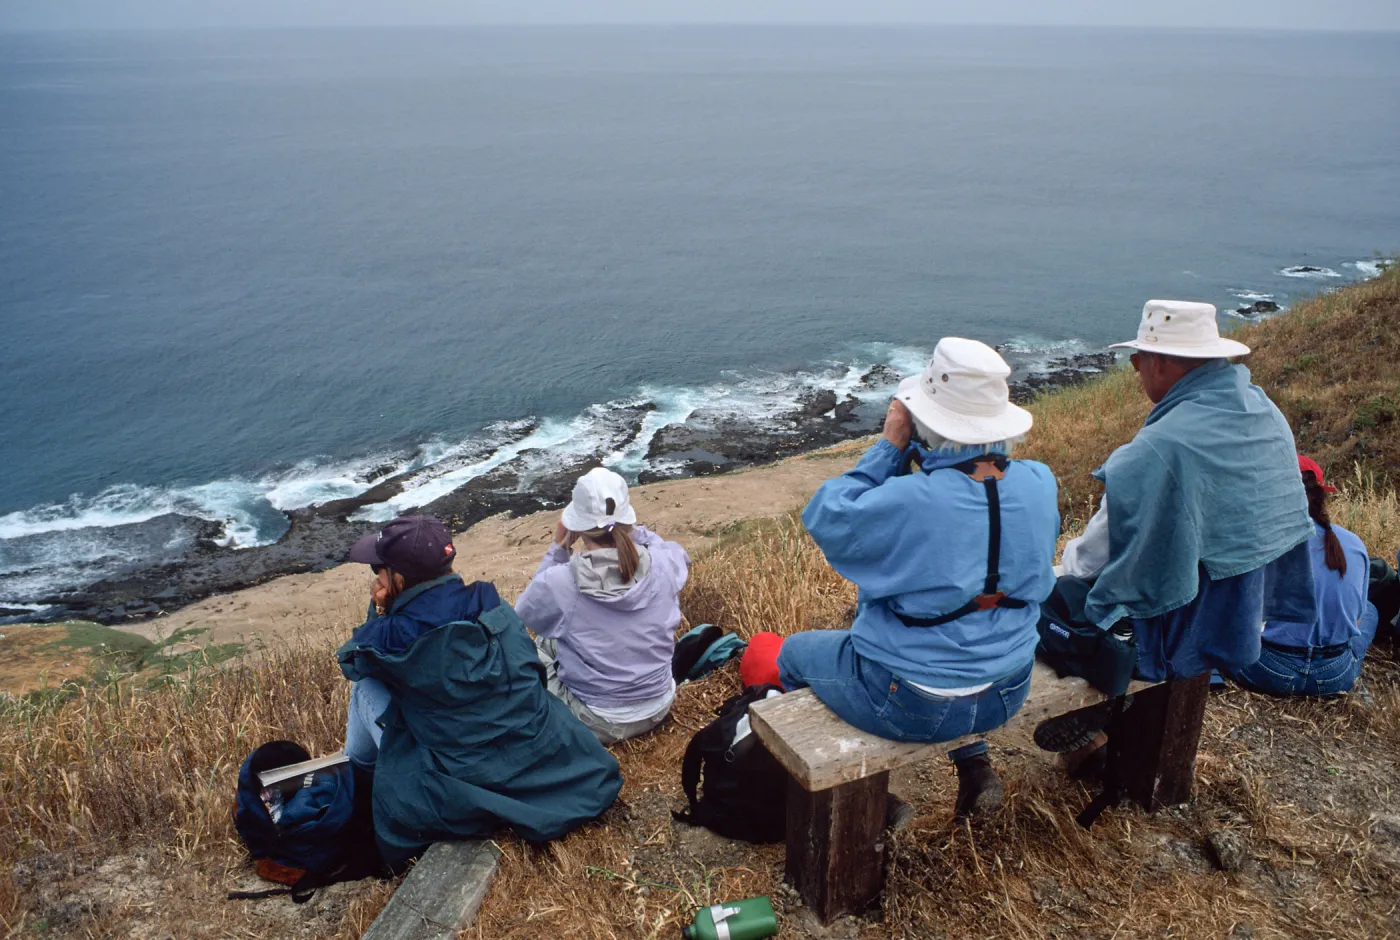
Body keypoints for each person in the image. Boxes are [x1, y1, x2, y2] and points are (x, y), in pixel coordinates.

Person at [778, 337, 1061, 818]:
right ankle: (974, 767)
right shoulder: (1039, 480)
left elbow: (827, 513)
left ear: (923, 420)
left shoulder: (914, 498)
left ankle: (869, 804)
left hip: (911, 703)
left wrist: (891, 448)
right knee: (955, 623)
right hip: (1008, 688)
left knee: (792, 655)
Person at [1046, 300, 1318, 756]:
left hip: (1181, 622)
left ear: (1163, 363)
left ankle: (1093, 720)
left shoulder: (1157, 450)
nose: (1135, 369)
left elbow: (1094, 557)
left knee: (1055, 602)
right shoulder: (1263, 411)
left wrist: (1060, 579)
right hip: (1249, 606)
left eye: (1138, 359)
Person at [336, 515, 622, 867]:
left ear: (398, 577)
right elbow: (530, 668)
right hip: (529, 743)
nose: (375, 578)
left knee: (366, 688)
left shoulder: (391, 638)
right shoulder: (491, 605)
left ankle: (361, 773)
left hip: (459, 771)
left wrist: (380, 611)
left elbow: (352, 662)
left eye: (379, 570)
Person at [515, 467, 690, 744]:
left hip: (602, 720)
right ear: (626, 519)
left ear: (576, 525)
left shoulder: (562, 583)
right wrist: (633, 531)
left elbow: (526, 612)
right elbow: (675, 553)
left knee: (535, 650)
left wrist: (559, 548)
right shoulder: (664, 561)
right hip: (660, 702)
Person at [1223, 456, 1379, 696]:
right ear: (1322, 496)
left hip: (1268, 670)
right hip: (1333, 676)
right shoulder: (1353, 543)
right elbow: (1357, 620)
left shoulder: (1259, 540)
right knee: (1370, 609)